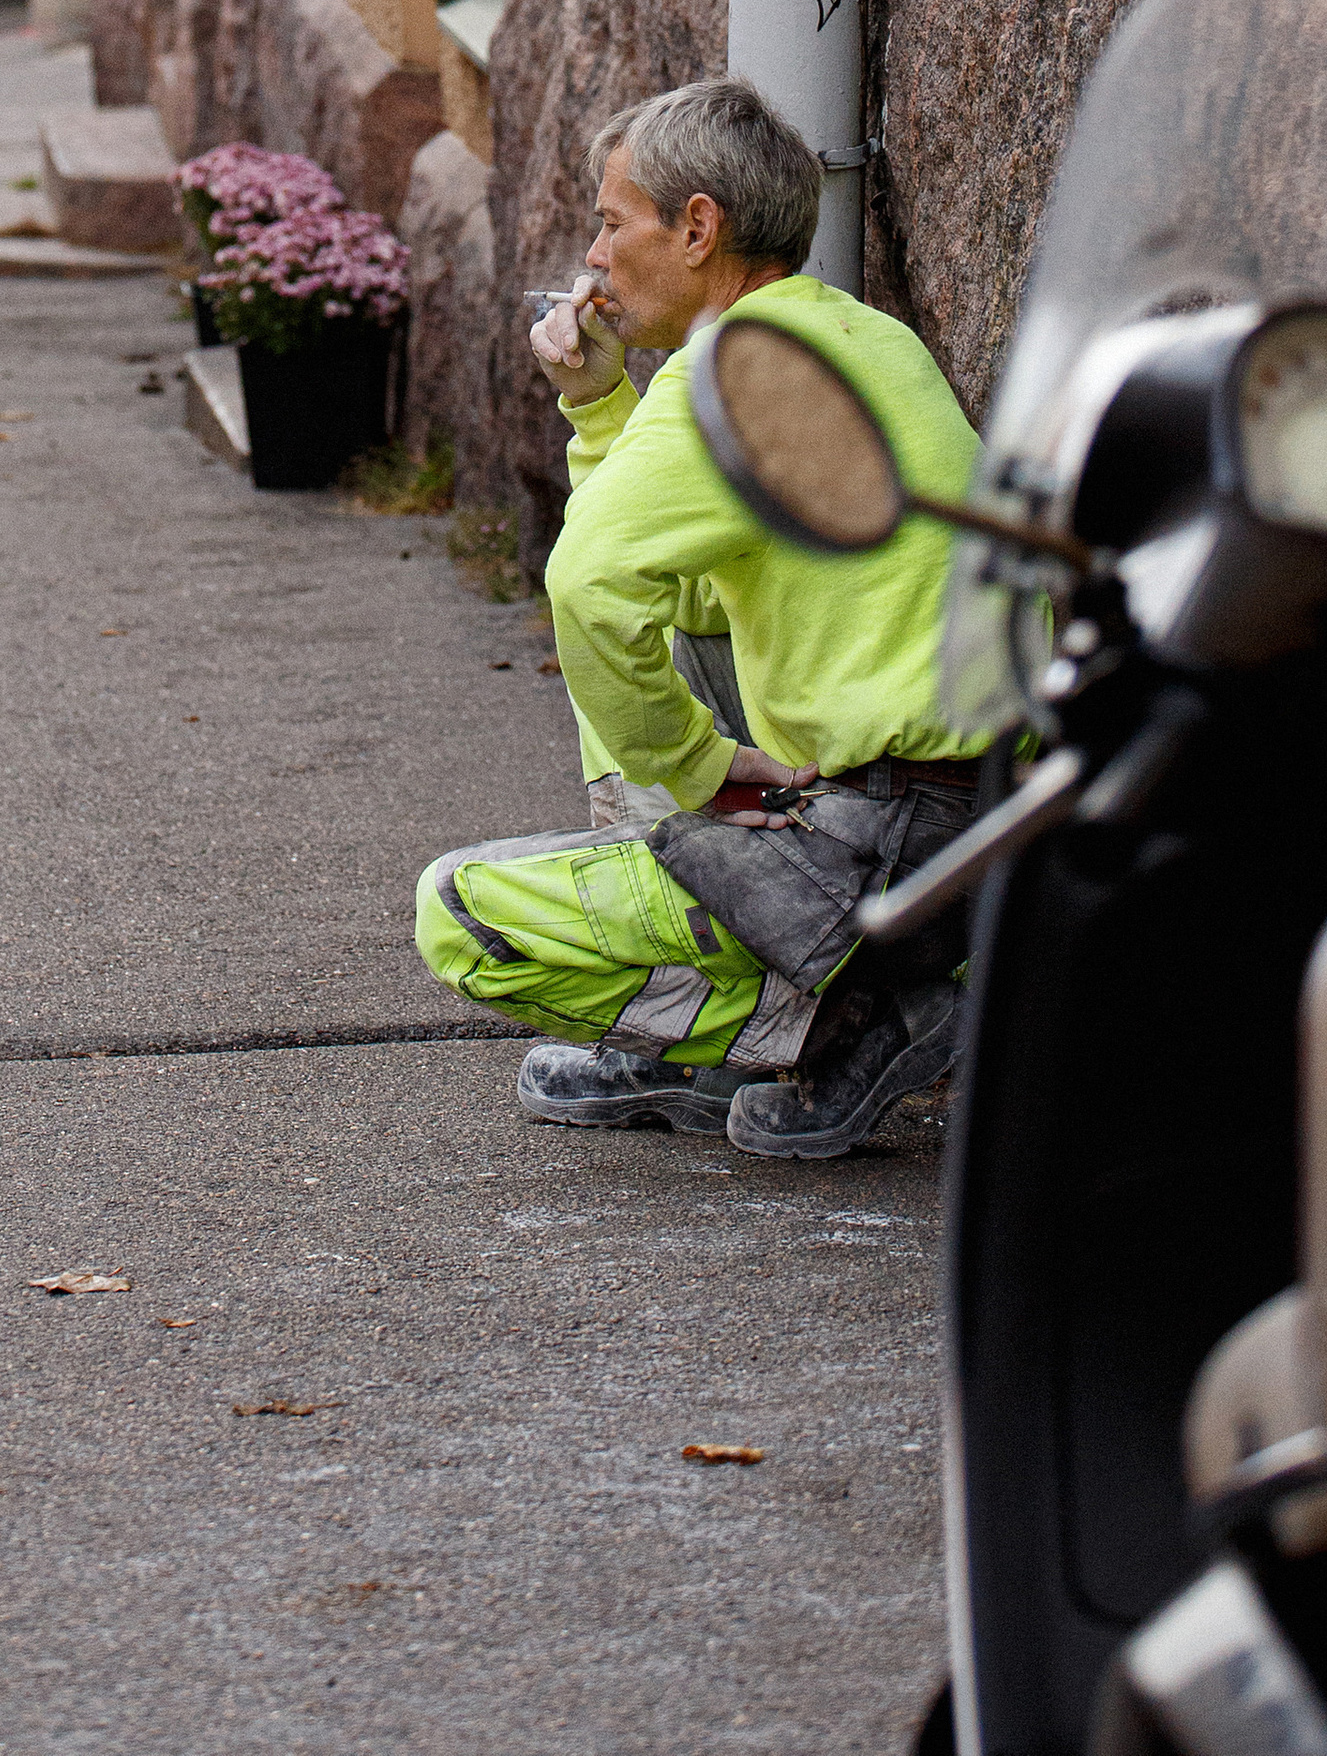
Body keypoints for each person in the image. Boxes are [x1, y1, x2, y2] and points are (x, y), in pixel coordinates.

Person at [414, 75, 996, 1161]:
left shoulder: (722, 375)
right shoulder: (866, 339)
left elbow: (585, 585)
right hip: (980, 823)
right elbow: (671, 590)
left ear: (695, 227)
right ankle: (789, 1006)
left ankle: (833, 1025)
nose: (591, 257)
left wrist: (693, 768)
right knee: (667, 643)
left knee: (460, 917)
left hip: (872, 846)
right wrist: (595, 406)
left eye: (608, 220)